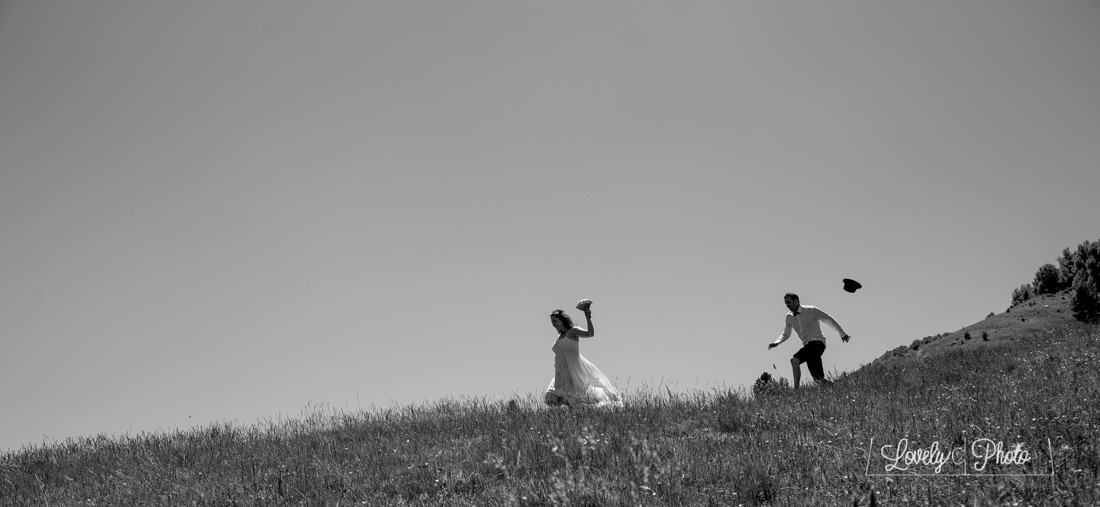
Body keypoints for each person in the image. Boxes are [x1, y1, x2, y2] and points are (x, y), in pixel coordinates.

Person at [544, 300, 623, 407]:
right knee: (552, 400)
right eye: (552, 322)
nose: (553, 324)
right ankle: (570, 419)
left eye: (555, 321)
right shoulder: (559, 337)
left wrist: (587, 316)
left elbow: (590, 334)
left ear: (561, 320)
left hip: (572, 372)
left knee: (573, 400)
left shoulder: (573, 331)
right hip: (560, 373)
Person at [767, 292, 851, 388]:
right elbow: (786, 334)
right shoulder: (789, 317)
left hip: (817, 343)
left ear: (796, 301)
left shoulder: (810, 310)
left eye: (789, 302)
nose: (787, 305)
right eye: (786, 303)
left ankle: (796, 390)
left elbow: (828, 319)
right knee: (819, 380)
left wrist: (842, 333)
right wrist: (776, 342)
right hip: (808, 347)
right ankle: (839, 388)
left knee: (794, 360)